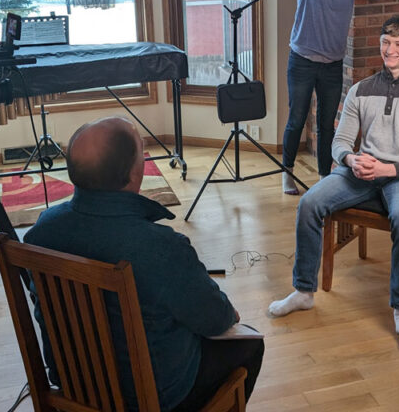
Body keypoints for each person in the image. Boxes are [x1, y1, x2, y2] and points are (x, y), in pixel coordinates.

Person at [23, 117, 264, 411]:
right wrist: (227, 314)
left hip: (74, 385)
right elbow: (216, 319)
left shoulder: (42, 230)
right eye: (141, 148)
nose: (145, 150)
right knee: (250, 344)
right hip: (151, 397)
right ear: (134, 173)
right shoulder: (160, 247)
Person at [269, 16, 399, 350]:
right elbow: (340, 142)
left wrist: (389, 170)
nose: (390, 49)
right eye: (385, 41)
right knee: (310, 203)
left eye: (398, 43)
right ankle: (303, 291)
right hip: (361, 171)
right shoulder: (360, 90)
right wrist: (351, 159)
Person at [283, 0, 397, 195]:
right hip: (302, 61)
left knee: (326, 124)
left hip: (332, 65)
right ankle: (287, 173)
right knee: (297, 118)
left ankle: (323, 177)